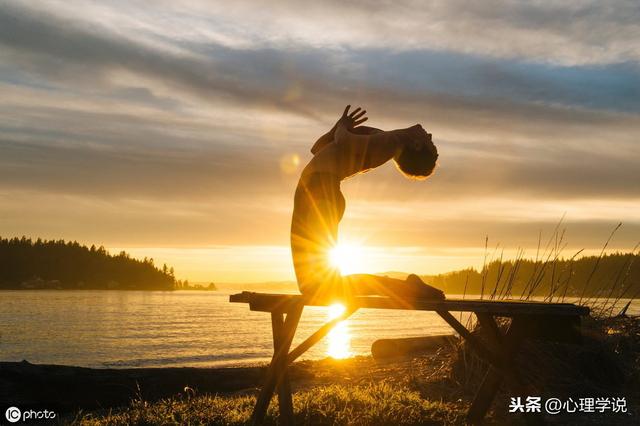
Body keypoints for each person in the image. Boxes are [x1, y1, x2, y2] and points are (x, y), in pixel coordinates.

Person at [290, 105, 445, 302]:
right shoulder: (388, 141)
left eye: (430, 142)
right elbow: (318, 149)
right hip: (319, 191)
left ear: (416, 145)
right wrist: (337, 127)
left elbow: (344, 141)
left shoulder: (391, 142)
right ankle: (408, 287)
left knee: (317, 286)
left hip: (320, 192)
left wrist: (342, 127)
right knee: (319, 284)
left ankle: (410, 289)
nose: (429, 135)